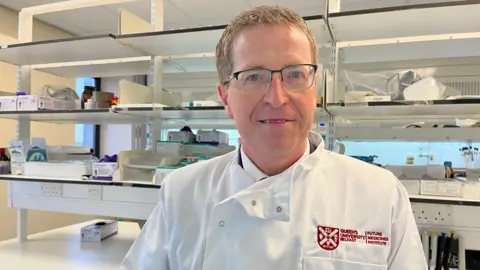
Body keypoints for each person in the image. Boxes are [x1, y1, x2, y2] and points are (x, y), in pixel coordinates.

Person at [122, 5, 427, 270]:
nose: (278, 98)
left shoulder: (380, 194)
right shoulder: (181, 193)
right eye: (254, 76)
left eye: (295, 74)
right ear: (226, 97)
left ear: (314, 88)